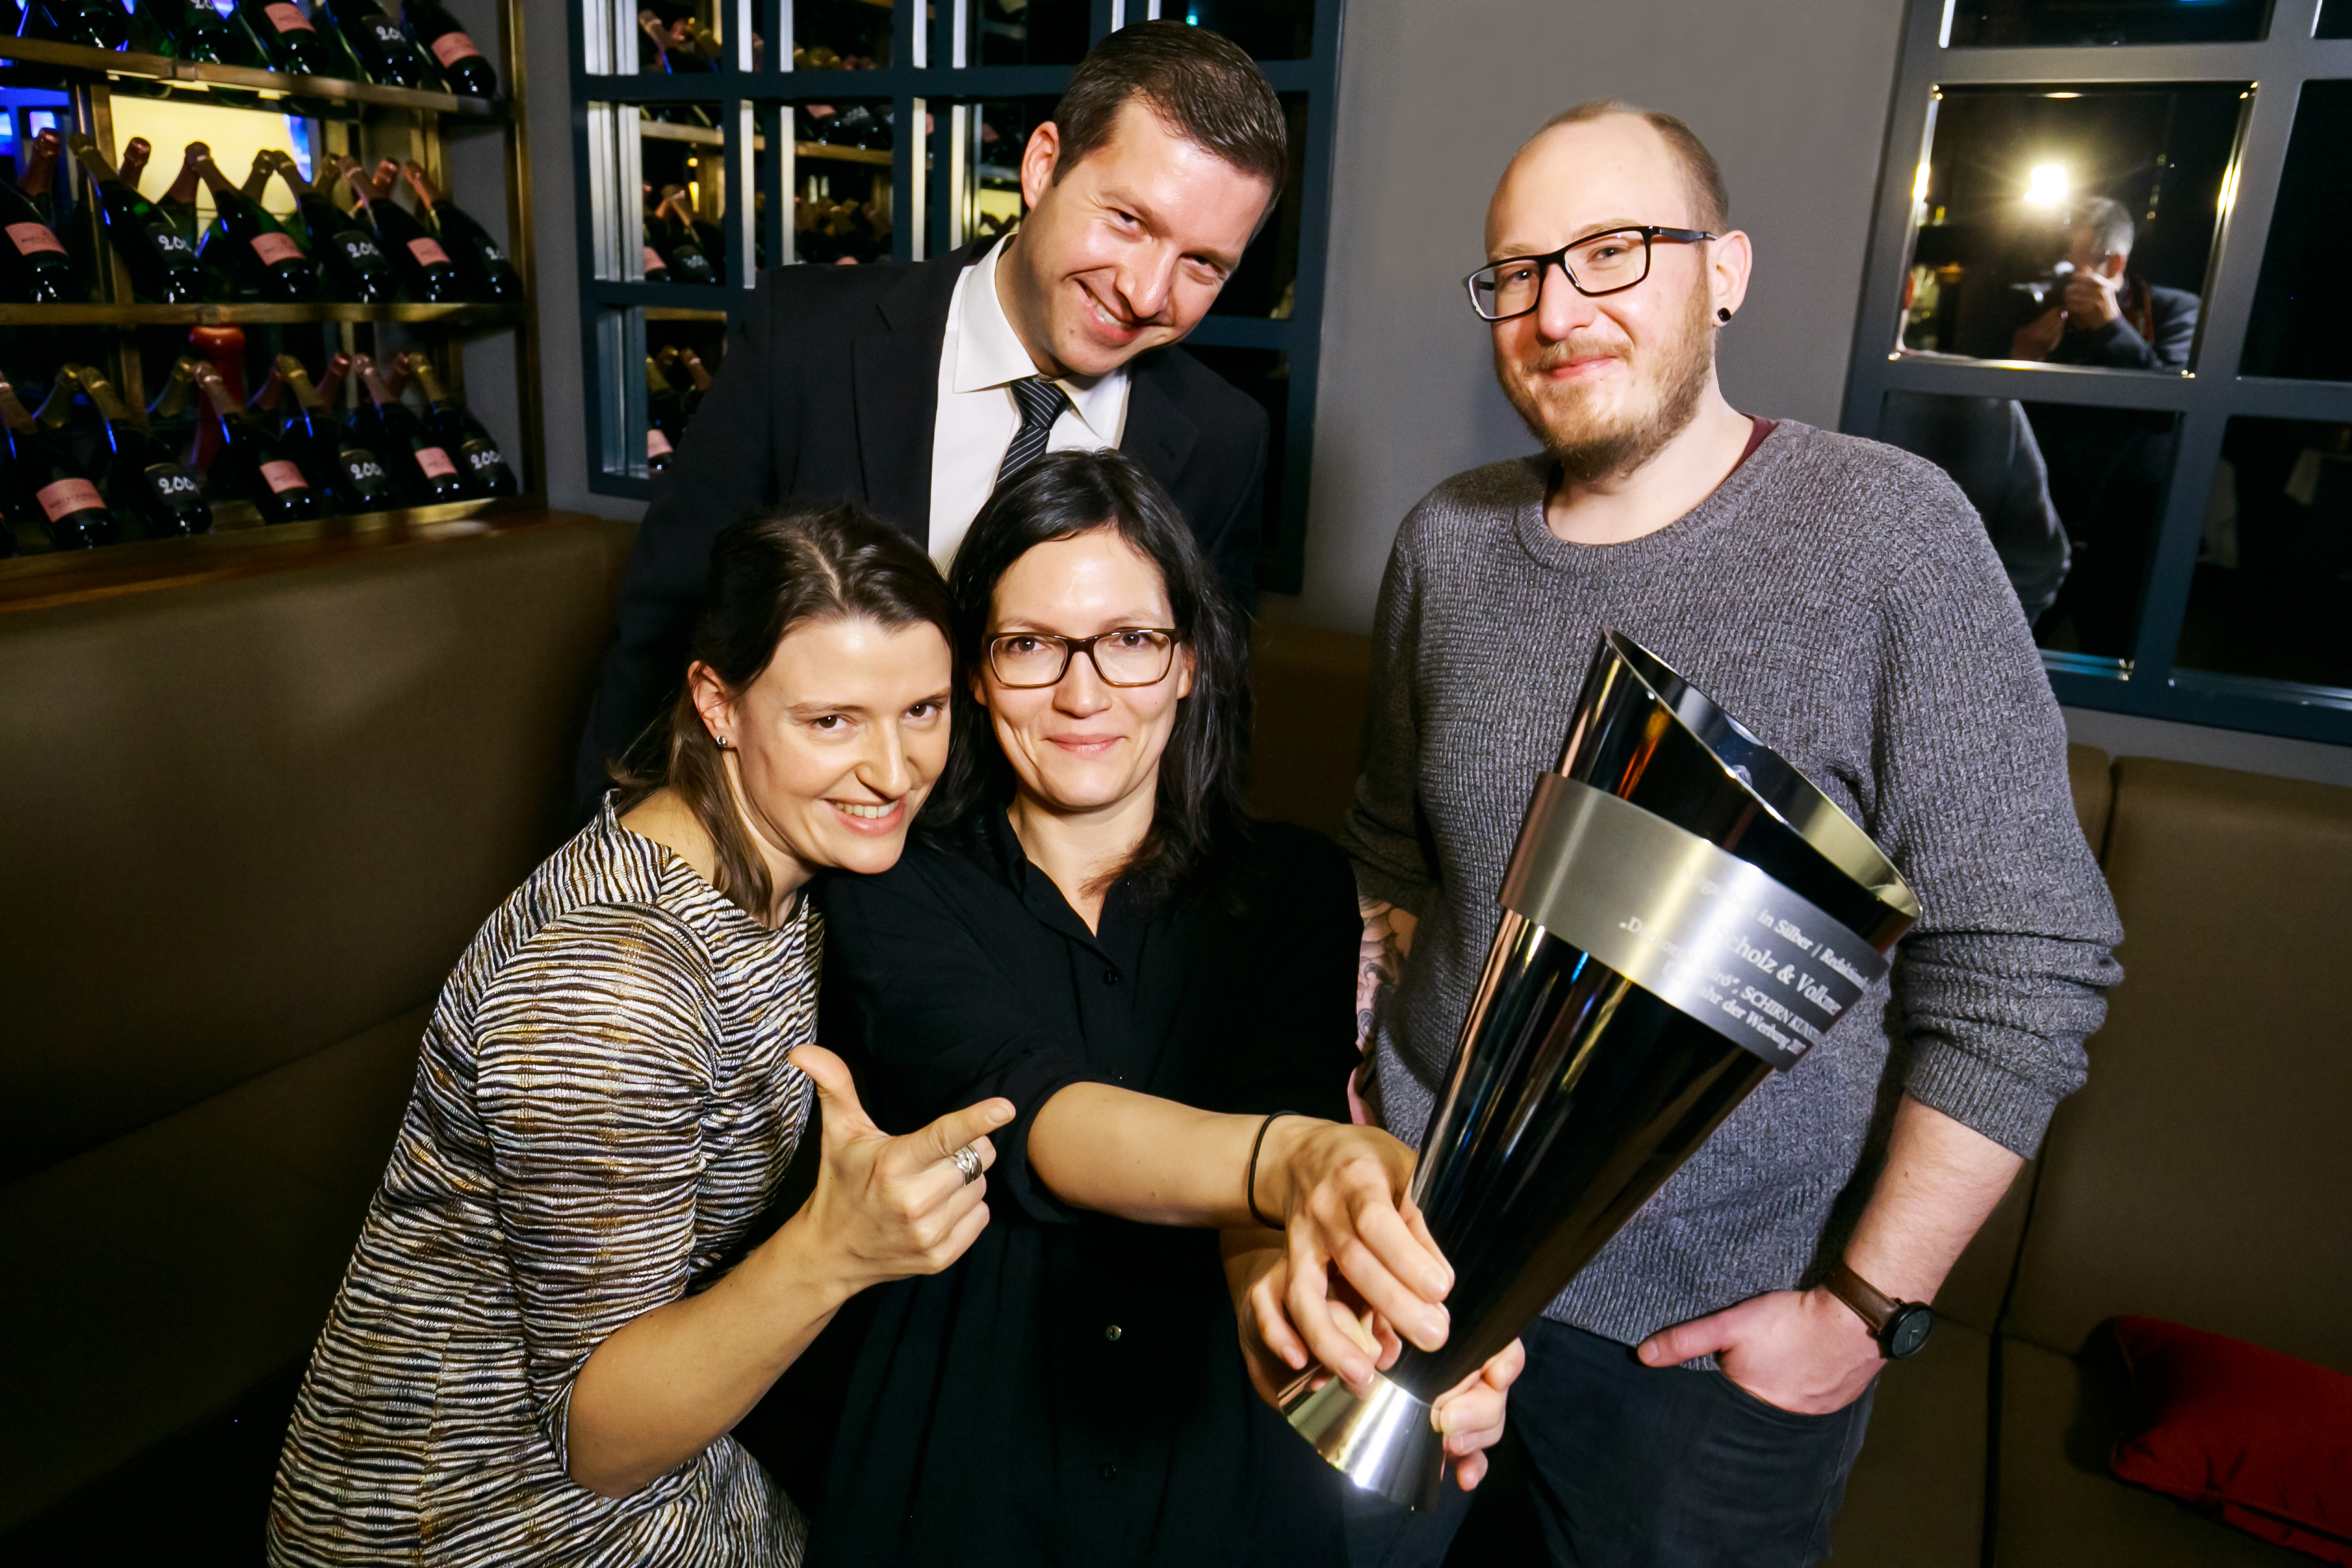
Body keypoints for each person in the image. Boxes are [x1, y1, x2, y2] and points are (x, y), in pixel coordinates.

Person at [1341, 101, 2123, 1567]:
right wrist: (1363, 1114)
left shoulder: (1887, 536)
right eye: (1517, 272)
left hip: (1692, 1355)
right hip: (1411, 1268)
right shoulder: (1446, 541)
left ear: (1725, 272)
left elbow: (2025, 958)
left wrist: (1867, 1308)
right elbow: (1389, 850)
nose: (1555, 310)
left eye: (1611, 252)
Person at [810, 450, 1521, 1567]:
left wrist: (1345, 1320)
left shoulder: (1290, 886)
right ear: (976, 673)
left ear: (1189, 661)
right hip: (966, 1456)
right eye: (1030, 645)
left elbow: (1267, 1151)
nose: (1084, 693)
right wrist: (1297, 1162)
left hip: (1211, 1466)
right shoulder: (889, 877)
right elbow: (1024, 1107)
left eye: (1131, 640)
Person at [268, 507, 1010, 1567]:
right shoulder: (613, 987)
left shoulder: (769, 862)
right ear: (718, 703)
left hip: (657, 1450)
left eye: (922, 710)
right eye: (832, 721)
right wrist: (836, 1248)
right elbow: (601, 1439)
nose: (893, 771)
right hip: (474, 1510)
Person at [580, 20, 1289, 811]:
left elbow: (1207, 725)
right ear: (1042, 165)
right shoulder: (805, 340)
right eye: (1128, 220)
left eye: (1202, 264)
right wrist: (616, 850)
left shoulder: (1225, 438)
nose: (1146, 293)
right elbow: (669, 627)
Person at [2007, 195, 2197, 372]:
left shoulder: (2174, 309)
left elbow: (2173, 390)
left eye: (2071, 270)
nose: (2061, 278)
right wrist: (2022, 358)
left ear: (2115, 264)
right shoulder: (2038, 306)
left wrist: (2111, 327)